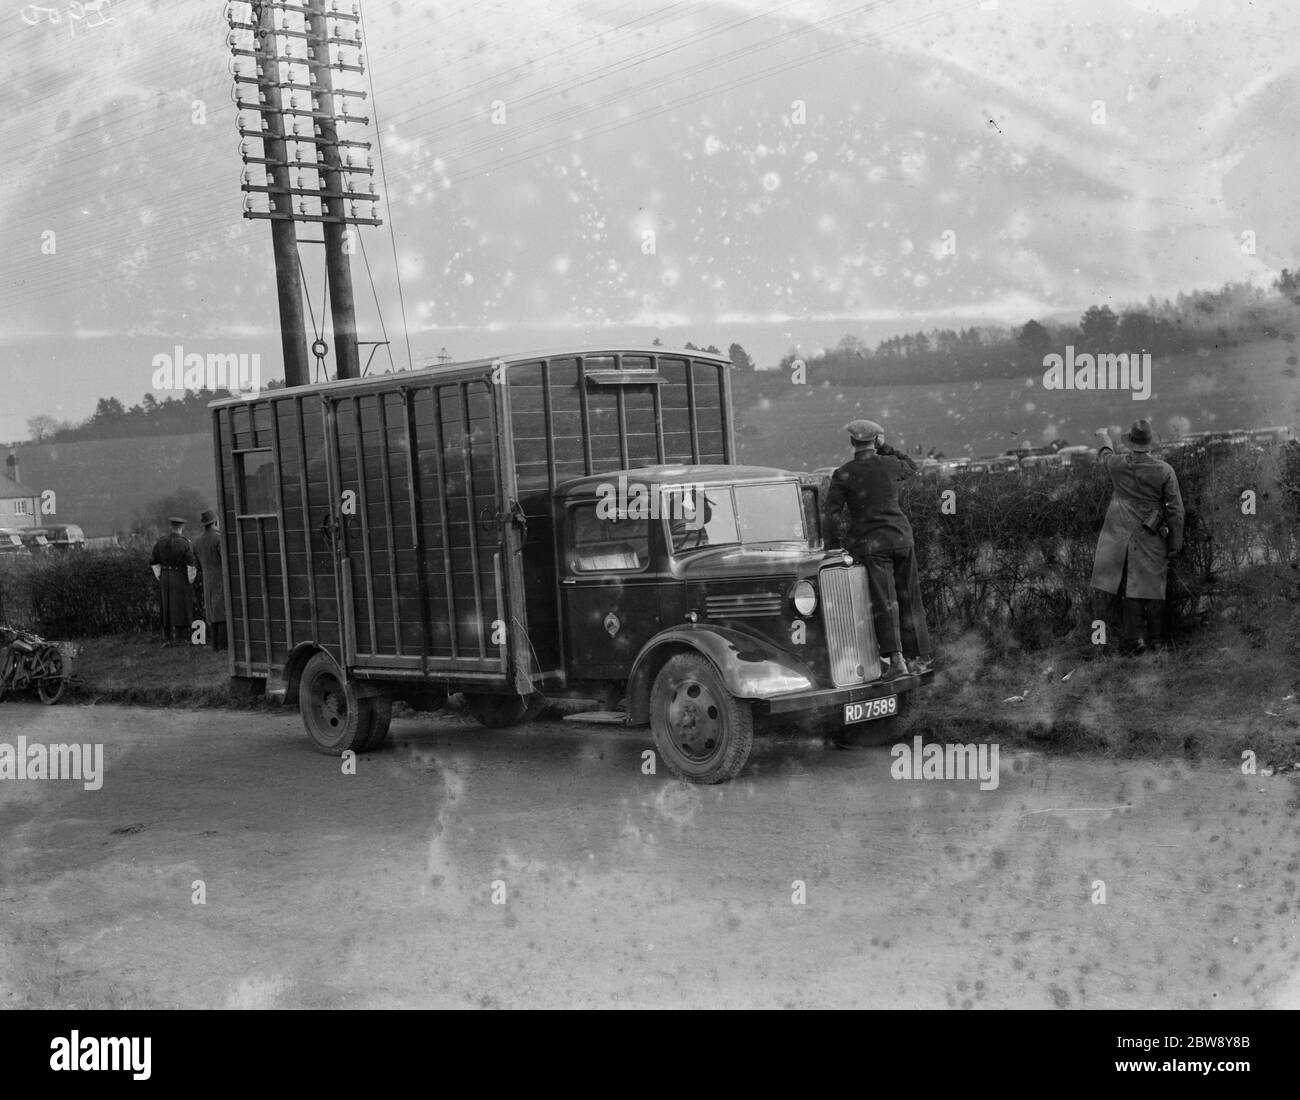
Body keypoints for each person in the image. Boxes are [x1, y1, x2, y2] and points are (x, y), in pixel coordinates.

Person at [823, 419, 933, 681]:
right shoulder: (890, 464)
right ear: (876, 441)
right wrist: (886, 448)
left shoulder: (844, 474)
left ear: (852, 442)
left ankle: (895, 662)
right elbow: (912, 466)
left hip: (873, 544)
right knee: (910, 599)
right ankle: (916, 660)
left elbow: (832, 513)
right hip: (902, 538)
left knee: (885, 604)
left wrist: (835, 545)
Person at [1091, 418, 1185, 654]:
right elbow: (1175, 510)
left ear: (1131, 443)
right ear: (1150, 443)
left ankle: (1135, 641)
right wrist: (1176, 543)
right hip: (1151, 535)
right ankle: (1158, 641)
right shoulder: (1164, 470)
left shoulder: (1118, 465)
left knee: (1129, 590)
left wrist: (1103, 435)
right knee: (1154, 588)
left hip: (1121, 538)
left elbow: (1104, 455)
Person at [150, 516, 197, 647]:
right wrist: (190, 580)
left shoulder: (160, 542)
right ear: (182, 527)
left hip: (165, 577)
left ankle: (167, 638)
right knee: (180, 606)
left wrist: (160, 575)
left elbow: (153, 561)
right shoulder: (185, 543)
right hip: (180, 577)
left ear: (171, 527)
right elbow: (192, 564)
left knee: (166, 606)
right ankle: (181, 638)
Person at [193, 509, 227, 652]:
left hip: (208, 580)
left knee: (212, 612)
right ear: (215, 522)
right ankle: (225, 645)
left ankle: (216, 646)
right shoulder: (219, 539)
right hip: (222, 579)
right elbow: (225, 560)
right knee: (224, 611)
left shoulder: (197, 542)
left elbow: (197, 564)